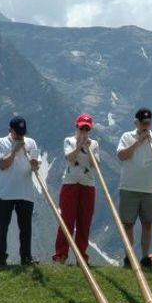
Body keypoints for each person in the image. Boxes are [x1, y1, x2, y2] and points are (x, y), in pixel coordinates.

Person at [116, 107, 152, 269]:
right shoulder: (127, 136)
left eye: (148, 123)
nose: (146, 126)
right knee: (128, 224)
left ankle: (145, 257)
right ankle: (129, 257)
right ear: (136, 123)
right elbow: (122, 156)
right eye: (143, 123)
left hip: (150, 188)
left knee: (147, 223)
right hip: (129, 187)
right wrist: (138, 142)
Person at [0, 116, 40, 266]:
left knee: (26, 228)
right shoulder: (0, 142)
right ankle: (1, 257)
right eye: (17, 132)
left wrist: (35, 164)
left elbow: (35, 166)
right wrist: (14, 150)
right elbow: (3, 165)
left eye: (22, 133)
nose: (20, 136)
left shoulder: (31, 143)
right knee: (3, 227)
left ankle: (26, 257)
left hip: (25, 192)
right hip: (5, 193)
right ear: (10, 130)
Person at [53, 113, 99, 265]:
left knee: (84, 222)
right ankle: (60, 255)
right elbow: (70, 158)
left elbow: (96, 164)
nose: (84, 132)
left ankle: (81, 257)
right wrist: (80, 145)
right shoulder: (69, 141)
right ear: (76, 127)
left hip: (88, 184)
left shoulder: (94, 144)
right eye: (81, 128)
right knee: (67, 220)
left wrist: (88, 148)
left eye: (87, 129)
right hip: (70, 183)